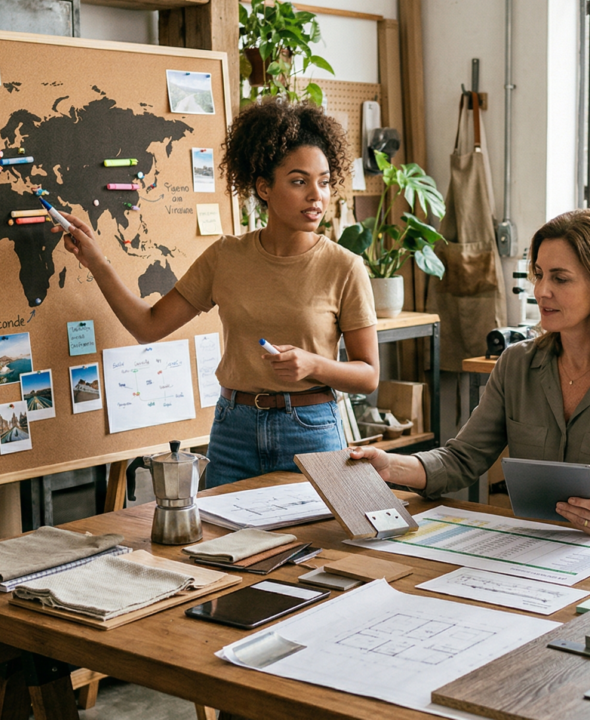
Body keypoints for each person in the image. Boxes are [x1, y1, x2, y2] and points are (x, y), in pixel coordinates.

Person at [60, 99, 379, 486]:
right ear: (263, 187)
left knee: (318, 544)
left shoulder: (345, 266)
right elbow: (148, 327)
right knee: (225, 543)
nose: (317, 196)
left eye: (324, 182)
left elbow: (368, 375)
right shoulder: (226, 256)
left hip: (310, 429)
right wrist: (96, 261)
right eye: (299, 181)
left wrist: (314, 365)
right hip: (234, 430)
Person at [350, 209, 590, 536]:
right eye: (540, 275)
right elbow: (461, 459)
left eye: (560, 278)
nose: (542, 291)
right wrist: (389, 466)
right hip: (529, 546)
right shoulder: (515, 364)